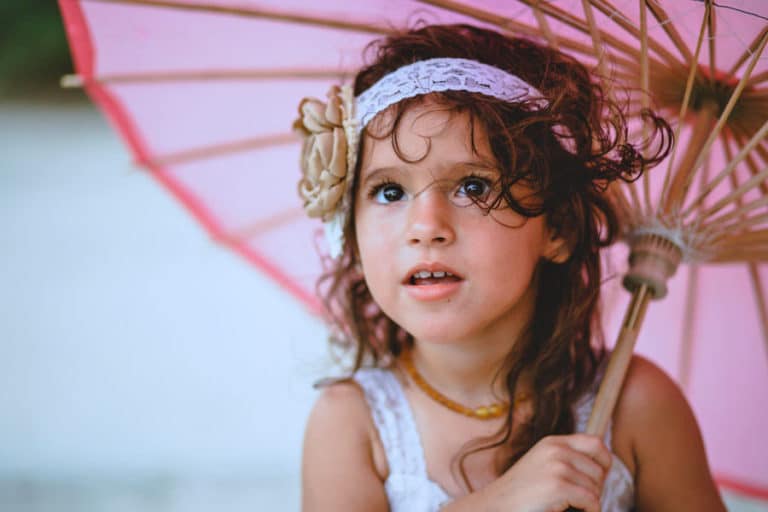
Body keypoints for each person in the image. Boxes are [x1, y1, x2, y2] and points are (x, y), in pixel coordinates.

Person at [295, 24, 726, 512]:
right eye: (390, 191)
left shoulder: (636, 407)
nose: (426, 226)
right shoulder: (352, 426)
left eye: (474, 187)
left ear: (557, 227)